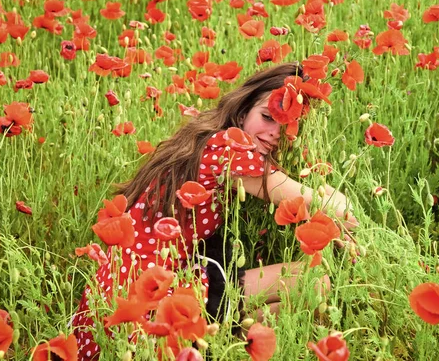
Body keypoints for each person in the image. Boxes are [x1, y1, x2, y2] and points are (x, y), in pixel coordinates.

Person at [71, 62, 357, 360]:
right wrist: (352, 229)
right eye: (267, 117)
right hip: (148, 304)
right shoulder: (229, 151)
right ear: (244, 110)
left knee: (276, 305)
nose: (275, 133)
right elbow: (324, 202)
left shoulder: (207, 139)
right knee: (314, 282)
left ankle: (225, 349)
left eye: (286, 126)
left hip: (120, 295)